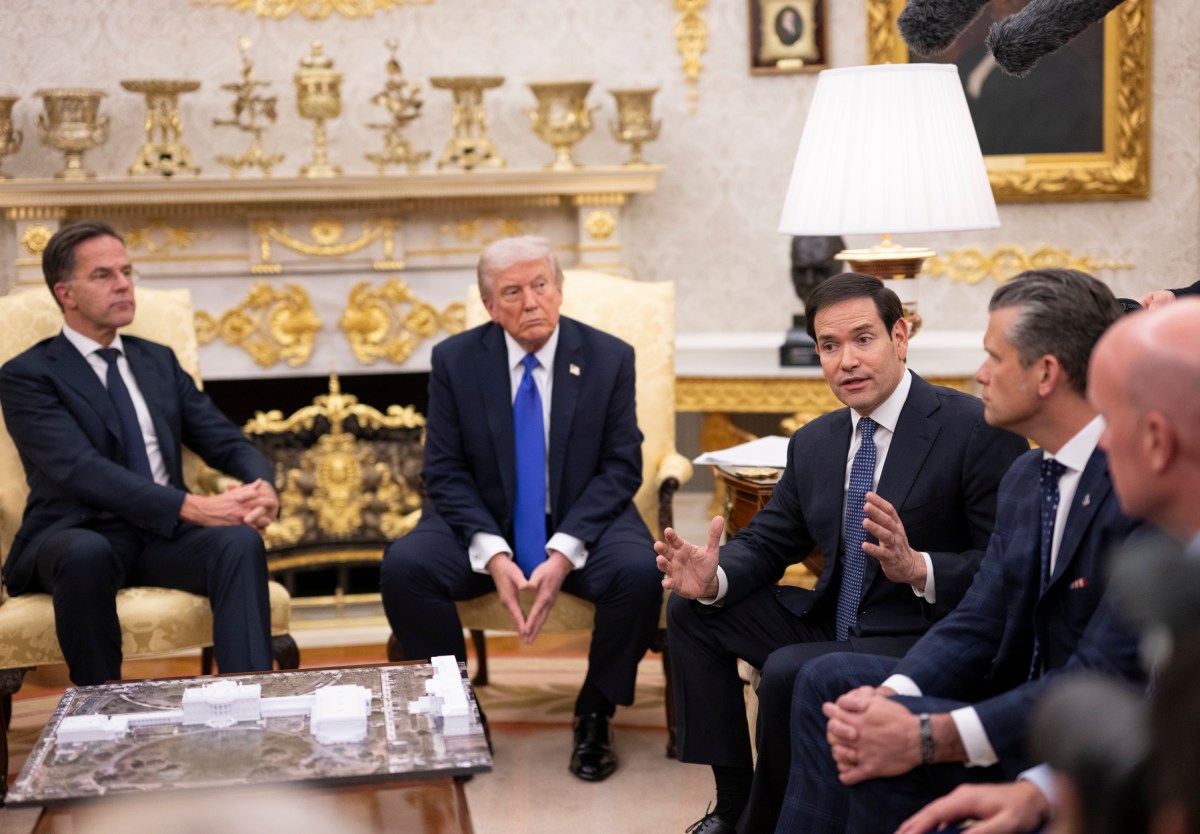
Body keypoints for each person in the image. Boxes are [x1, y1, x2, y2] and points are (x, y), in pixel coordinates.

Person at [776, 269, 1146, 834]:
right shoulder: (1028, 476)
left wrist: (931, 735)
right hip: (1006, 690)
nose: (980, 374)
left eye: (994, 358)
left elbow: (1100, 676)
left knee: (880, 736)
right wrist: (890, 698)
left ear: (1046, 373)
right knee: (848, 706)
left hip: (1090, 739)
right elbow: (978, 619)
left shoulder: (1136, 488)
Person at [656, 273, 1028, 833]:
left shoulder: (973, 428)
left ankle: (762, 824)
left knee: (787, 669)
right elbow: (768, 541)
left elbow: (1006, 567)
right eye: (829, 346)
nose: (846, 360)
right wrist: (713, 578)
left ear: (900, 337)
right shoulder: (816, 441)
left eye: (863, 339)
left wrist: (918, 567)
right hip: (836, 617)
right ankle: (732, 804)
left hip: (923, 632)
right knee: (692, 609)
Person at [379, 235, 661, 783]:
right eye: (512, 292)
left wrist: (564, 550)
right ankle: (458, 712)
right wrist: (492, 552)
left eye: (540, 285)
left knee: (639, 572)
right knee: (405, 567)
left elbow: (621, 466)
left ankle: (595, 712)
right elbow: (443, 470)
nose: (531, 302)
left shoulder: (609, 358)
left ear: (559, 290)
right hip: (483, 520)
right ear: (490, 305)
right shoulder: (455, 360)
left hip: (583, 519)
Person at [0, 221, 278, 686]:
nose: (124, 284)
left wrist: (261, 485)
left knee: (238, 542)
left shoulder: (157, 360)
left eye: (127, 271)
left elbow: (224, 439)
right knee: (85, 552)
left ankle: (248, 697)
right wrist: (193, 506)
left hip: (162, 535)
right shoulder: (28, 375)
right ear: (66, 293)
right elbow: (78, 469)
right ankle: (100, 708)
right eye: (103, 275)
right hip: (78, 531)